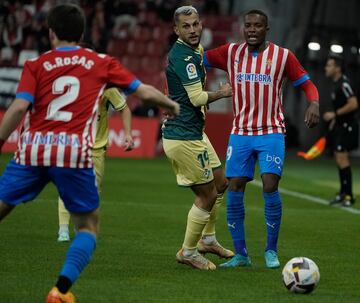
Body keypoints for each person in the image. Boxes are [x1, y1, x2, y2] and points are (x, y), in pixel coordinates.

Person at [0, 4, 179, 303]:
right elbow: (143, 91)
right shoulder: (101, 62)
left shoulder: (36, 64)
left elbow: (18, 107)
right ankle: (61, 290)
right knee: (87, 226)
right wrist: (171, 106)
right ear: (82, 33)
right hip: (73, 153)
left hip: (33, 150)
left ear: (51, 33)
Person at [203, 9, 320, 269]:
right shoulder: (230, 52)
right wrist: (195, 92)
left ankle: (270, 250)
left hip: (271, 131)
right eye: (248, 25)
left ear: (267, 30)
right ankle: (241, 254)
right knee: (234, 187)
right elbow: (196, 60)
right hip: (241, 132)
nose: (252, 29)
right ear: (243, 28)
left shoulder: (283, 56)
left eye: (258, 26)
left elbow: (306, 82)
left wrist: (314, 102)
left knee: (269, 184)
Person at [162, 6, 234, 271]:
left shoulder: (195, 51)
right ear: (176, 30)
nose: (192, 30)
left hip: (194, 132)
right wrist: (222, 93)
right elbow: (196, 97)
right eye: (186, 26)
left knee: (220, 181)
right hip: (182, 136)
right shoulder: (184, 56)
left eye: (195, 24)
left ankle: (208, 239)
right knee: (206, 195)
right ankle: (188, 252)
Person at [57, 87, 134, 242]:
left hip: (96, 148)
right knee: (66, 187)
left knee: (92, 191)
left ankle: (81, 227)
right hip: (72, 144)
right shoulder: (73, 83)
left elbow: (124, 109)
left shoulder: (107, 88)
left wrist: (128, 134)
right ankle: (63, 230)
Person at [324, 54, 358, 207]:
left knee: (342, 158)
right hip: (340, 125)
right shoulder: (336, 84)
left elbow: (353, 103)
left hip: (348, 126)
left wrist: (335, 114)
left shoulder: (344, 84)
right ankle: (343, 193)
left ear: (337, 68)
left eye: (329, 65)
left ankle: (349, 196)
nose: (326, 68)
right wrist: (334, 121)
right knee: (338, 158)